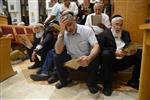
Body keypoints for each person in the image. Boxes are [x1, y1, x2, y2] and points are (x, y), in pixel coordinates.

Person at [54, 11, 100, 94]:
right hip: (72, 61)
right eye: (65, 26)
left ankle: (91, 83)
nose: (68, 28)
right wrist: (61, 32)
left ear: (75, 20)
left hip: (86, 60)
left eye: (70, 24)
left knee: (96, 57)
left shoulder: (86, 29)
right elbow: (58, 51)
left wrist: (89, 58)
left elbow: (96, 46)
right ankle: (64, 80)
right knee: (57, 57)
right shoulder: (63, 32)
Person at [97, 15, 142, 96]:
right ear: (111, 24)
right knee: (106, 54)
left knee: (140, 53)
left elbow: (129, 46)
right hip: (109, 62)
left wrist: (131, 51)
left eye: (121, 25)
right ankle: (107, 86)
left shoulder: (126, 33)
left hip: (123, 61)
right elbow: (101, 49)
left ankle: (133, 81)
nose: (119, 27)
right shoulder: (103, 35)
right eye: (117, 24)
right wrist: (114, 52)